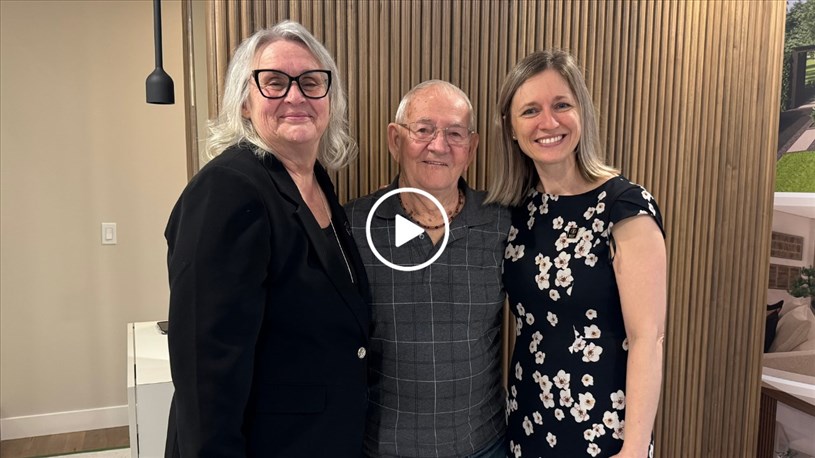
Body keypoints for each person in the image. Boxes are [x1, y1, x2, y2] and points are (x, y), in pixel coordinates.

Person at [163, 21, 370, 457]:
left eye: (311, 82)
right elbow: (205, 376)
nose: (295, 96)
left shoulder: (316, 184)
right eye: (274, 82)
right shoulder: (227, 189)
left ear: (329, 99)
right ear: (244, 102)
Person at [486, 49, 666, 458]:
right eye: (530, 110)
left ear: (582, 112)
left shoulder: (625, 207)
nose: (548, 122)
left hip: (603, 428)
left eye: (562, 105)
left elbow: (648, 337)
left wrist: (634, 448)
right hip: (527, 420)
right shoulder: (518, 210)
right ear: (511, 127)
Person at [344, 80, 510, 458]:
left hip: (484, 446)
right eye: (423, 130)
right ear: (395, 140)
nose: (439, 146)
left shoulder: (503, 224)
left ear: (472, 148)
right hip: (382, 449)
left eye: (455, 133)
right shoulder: (351, 227)